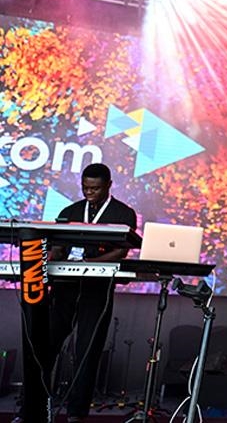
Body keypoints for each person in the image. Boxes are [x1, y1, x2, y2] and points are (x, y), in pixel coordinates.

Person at [49, 163, 137, 422]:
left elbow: (121, 251)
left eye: (95, 189)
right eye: (85, 188)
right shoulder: (70, 211)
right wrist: (53, 262)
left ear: (108, 185)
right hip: (64, 287)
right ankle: (32, 406)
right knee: (47, 345)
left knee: (87, 351)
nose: (89, 192)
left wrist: (90, 264)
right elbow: (57, 247)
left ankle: (76, 412)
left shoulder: (123, 213)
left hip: (97, 290)